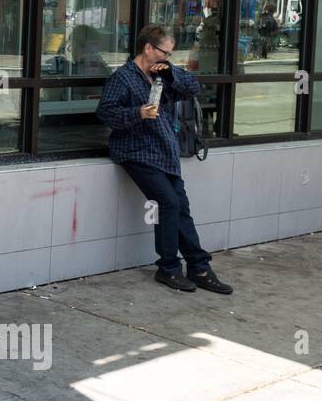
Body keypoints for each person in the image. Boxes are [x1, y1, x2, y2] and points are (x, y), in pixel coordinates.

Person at [96, 23, 234, 295]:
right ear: (148, 48)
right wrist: (137, 113)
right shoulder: (123, 78)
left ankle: (199, 267)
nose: (167, 57)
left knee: (181, 205)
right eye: (164, 53)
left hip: (165, 152)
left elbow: (193, 87)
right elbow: (106, 113)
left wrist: (171, 72)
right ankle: (168, 267)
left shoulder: (164, 74)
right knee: (169, 202)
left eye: (170, 53)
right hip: (136, 151)